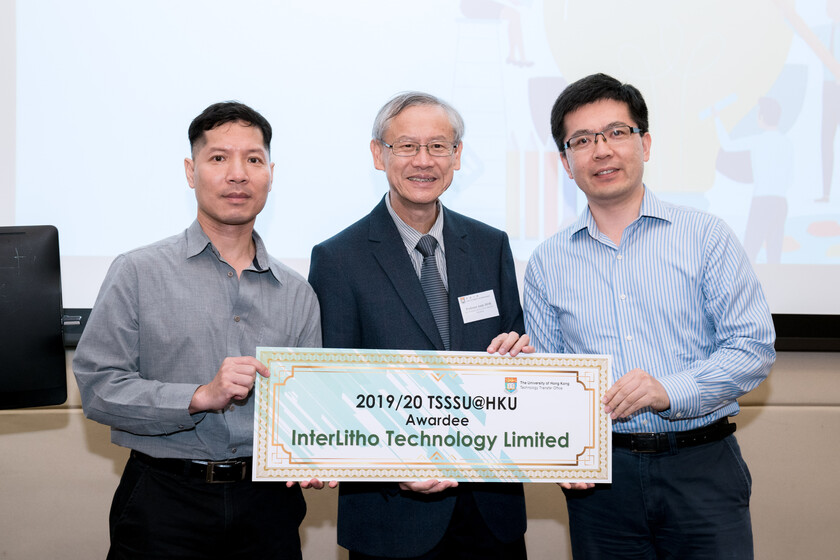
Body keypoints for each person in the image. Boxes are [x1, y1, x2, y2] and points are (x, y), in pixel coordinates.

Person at [523, 73, 776, 558]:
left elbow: (752, 349)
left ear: (646, 143)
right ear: (566, 163)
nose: (601, 150)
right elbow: (551, 379)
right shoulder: (547, 262)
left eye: (616, 132)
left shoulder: (706, 236)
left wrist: (669, 390)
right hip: (602, 483)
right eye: (582, 140)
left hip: (701, 466)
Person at [73, 101, 322, 560]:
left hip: (267, 505)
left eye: (253, 159)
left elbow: (308, 408)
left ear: (270, 174)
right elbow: (99, 388)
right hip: (164, 499)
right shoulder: (137, 272)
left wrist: (315, 450)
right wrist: (199, 396)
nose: (238, 174)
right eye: (219, 157)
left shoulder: (297, 292)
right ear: (191, 172)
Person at [308, 91, 531, 560]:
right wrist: (394, 467)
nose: (423, 161)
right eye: (407, 146)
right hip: (391, 515)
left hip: (490, 510)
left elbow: (517, 358)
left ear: (457, 156)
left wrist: (521, 361)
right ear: (378, 155)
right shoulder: (337, 259)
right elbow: (334, 390)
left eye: (438, 146)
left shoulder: (490, 245)